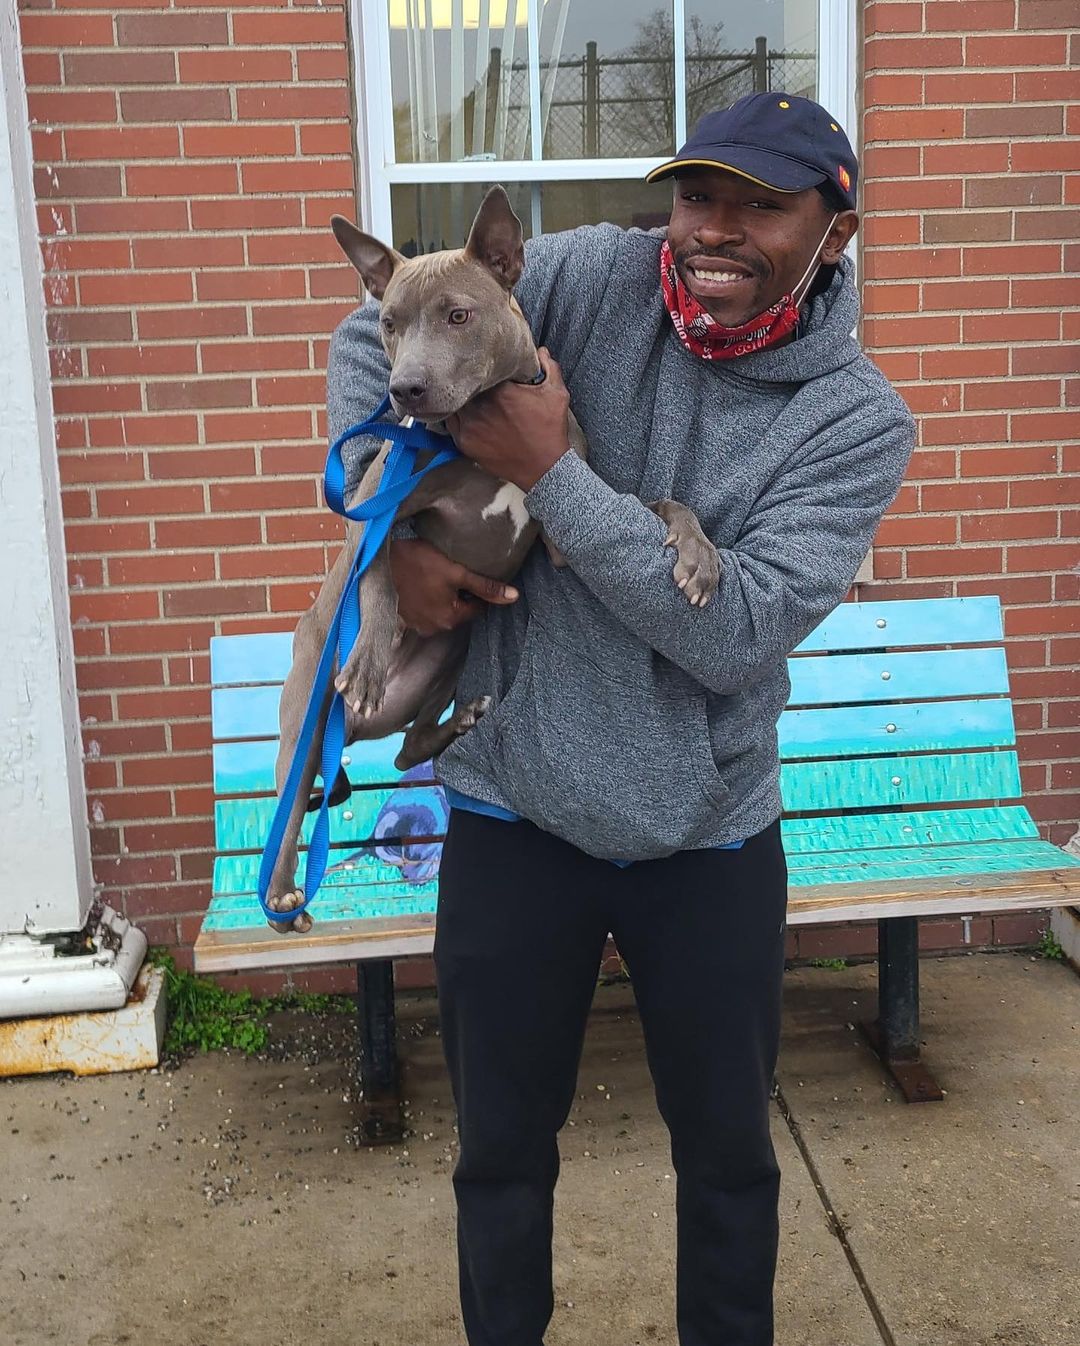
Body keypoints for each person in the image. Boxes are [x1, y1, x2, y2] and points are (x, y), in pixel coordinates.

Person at [327, 93, 914, 1346]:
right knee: (498, 1157)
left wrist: (553, 474)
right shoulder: (590, 274)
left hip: (703, 830)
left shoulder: (856, 422)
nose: (716, 228)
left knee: (726, 1161)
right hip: (515, 801)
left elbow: (731, 632)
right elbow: (369, 334)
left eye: (764, 204)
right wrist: (396, 537)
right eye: (701, 195)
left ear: (836, 228)